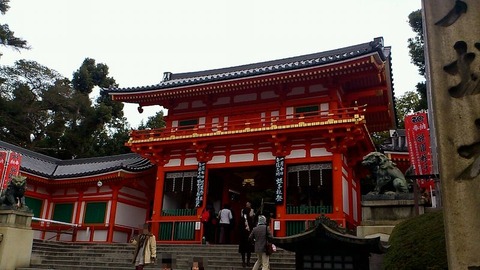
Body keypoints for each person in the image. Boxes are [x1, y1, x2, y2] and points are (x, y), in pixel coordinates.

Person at [238, 202, 255, 267]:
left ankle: (243, 261)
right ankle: (248, 261)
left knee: (243, 250)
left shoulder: (241, 219)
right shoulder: (250, 219)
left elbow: (239, 228)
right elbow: (253, 227)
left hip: (243, 236)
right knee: (248, 249)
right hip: (248, 236)